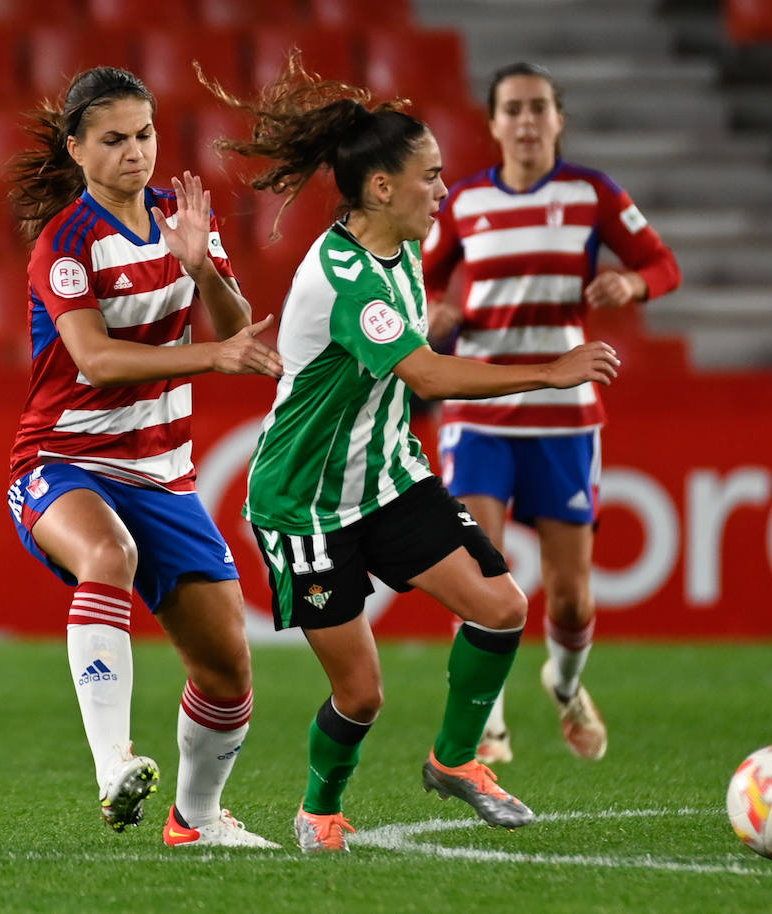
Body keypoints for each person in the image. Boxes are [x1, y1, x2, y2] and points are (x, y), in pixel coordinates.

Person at [200, 53, 620, 853]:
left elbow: (409, 358)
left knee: (502, 606)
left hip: (388, 476)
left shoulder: (404, 251)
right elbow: (423, 371)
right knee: (360, 694)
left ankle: (456, 760)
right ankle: (318, 809)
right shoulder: (343, 273)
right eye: (431, 176)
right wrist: (551, 372)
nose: (445, 190)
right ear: (382, 188)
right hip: (305, 504)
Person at [4, 66, 282, 846]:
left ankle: (195, 819)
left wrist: (201, 266)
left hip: (163, 473)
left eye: (146, 134)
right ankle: (111, 765)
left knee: (228, 671)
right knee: (108, 554)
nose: (136, 152)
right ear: (77, 150)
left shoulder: (180, 218)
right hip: (61, 461)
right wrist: (210, 360)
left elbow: (232, 325)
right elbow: (94, 358)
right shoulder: (64, 244)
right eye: (115, 139)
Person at [422, 62, 682, 765]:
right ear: (494, 123)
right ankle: (489, 720)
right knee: (481, 569)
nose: (528, 120)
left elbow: (662, 264)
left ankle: (564, 684)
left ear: (558, 120)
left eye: (539, 107)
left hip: (565, 416)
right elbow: (427, 276)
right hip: (480, 412)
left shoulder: (592, 193)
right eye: (514, 109)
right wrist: (437, 314)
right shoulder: (464, 202)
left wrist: (631, 281)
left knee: (569, 598)